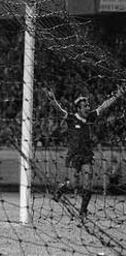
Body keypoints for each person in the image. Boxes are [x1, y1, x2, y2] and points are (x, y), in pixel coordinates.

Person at [45, 85, 125, 219]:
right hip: (73, 156)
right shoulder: (71, 118)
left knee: (88, 183)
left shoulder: (91, 117)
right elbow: (59, 110)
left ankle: (83, 211)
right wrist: (53, 100)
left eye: (88, 105)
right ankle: (62, 189)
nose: (88, 107)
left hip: (87, 155)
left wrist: (117, 96)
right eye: (85, 106)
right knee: (73, 184)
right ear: (79, 108)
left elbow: (103, 107)